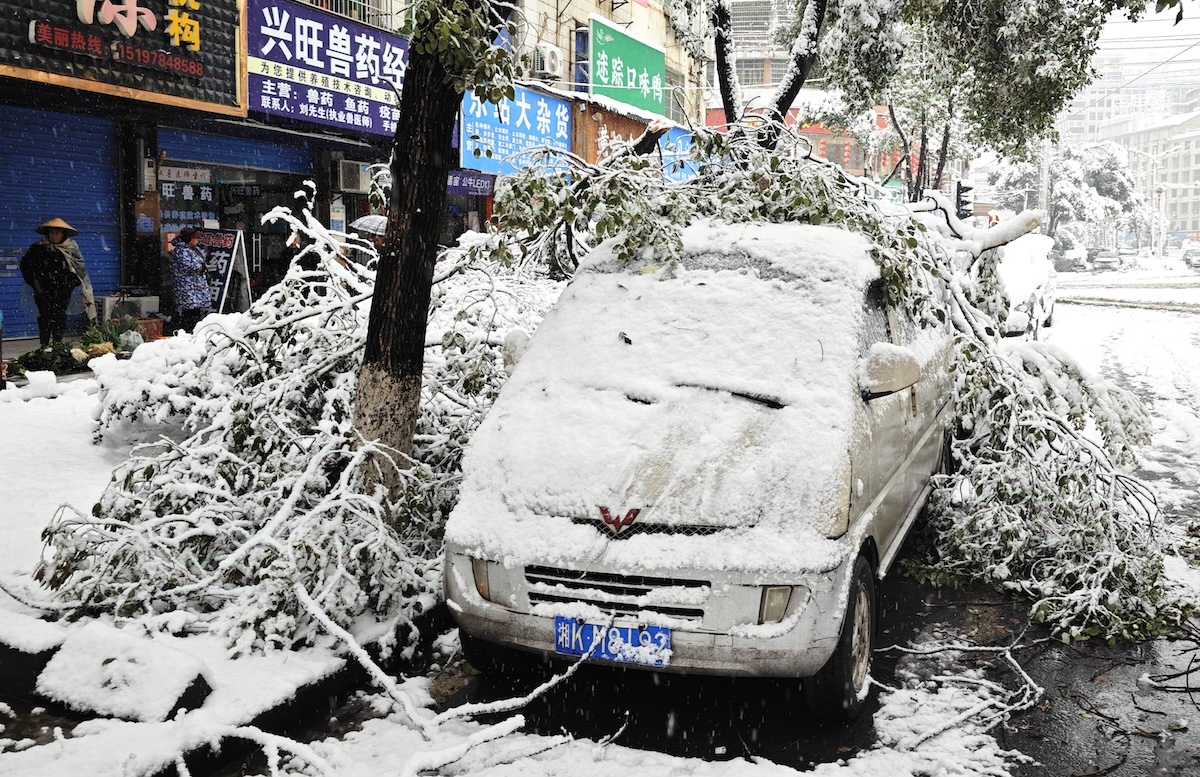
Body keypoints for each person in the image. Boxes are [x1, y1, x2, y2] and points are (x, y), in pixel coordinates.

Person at [19, 217, 96, 346]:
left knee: (59, 318)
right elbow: (26, 267)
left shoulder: (70, 249)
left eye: (57, 233)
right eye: (51, 233)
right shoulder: (38, 249)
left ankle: (57, 346)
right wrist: (36, 284)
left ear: (63, 234)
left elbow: (79, 270)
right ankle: (44, 346)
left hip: (62, 292)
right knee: (45, 318)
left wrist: (69, 283)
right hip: (42, 291)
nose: (53, 236)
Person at [170, 227, 210, 334]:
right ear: (189, 239)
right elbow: (188, 265)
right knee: (189, 310)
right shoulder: (181, 250)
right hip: (187, 285)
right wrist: (202, 266)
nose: (197, 241)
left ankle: (193, 330)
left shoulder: (193, 249)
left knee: (195, 309)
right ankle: (187, 331)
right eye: (195, 239)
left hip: (195, 285)